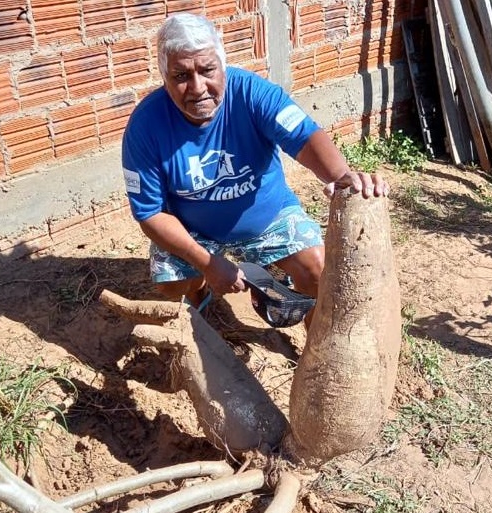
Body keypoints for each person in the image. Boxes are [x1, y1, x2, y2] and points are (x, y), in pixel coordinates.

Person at [121, 12, 388, 323]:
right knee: (172, 283)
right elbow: (149, 214)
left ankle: (309, 337)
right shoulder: (145, 126)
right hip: (195, 231)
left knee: (317, 268)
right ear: (164, 77)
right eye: (181, 76)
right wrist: (207, 263)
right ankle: (200, 292)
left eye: (207, 70)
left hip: (267, 219)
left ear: (223, 66)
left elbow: (304, 135)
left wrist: (342, 179)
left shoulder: (252, 93)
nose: (197, 87)